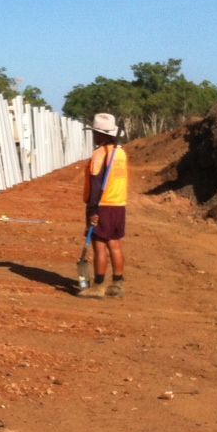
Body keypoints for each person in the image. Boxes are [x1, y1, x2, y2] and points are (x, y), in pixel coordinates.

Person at [79, 112, 128, 299]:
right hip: (118, 204)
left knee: (99, 245)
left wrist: (92, 211)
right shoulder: (121, 154)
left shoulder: (100, 154)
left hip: (102, 205)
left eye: (95, 133)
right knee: (114, 243)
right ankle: (118, 283)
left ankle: (98, 286)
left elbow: (97, 184)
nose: (93, 136)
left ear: (101, 135)